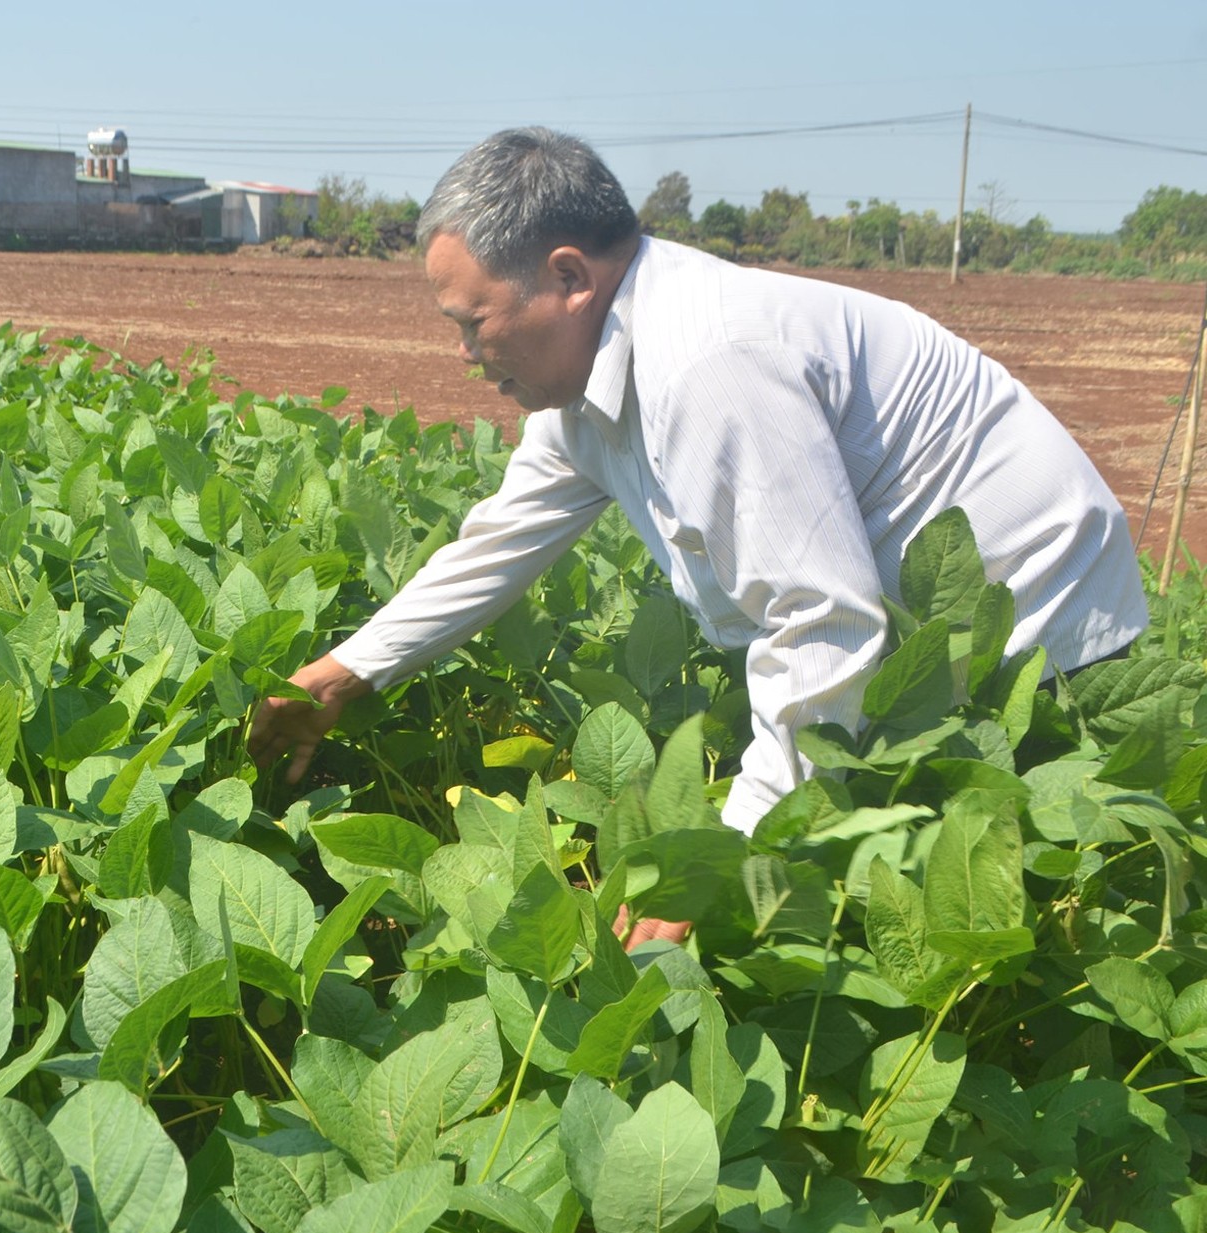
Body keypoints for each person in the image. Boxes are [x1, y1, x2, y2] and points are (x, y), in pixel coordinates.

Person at [247, 126, 1147, 836]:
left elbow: (820, 621)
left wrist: (726, 853)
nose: (466, 355)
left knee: (1020, 861)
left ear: (568, 276)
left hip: (1036, 615)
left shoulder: (710, 361)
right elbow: (498, 543)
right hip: (921, 622)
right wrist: (343, 673)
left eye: (474, 322)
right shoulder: (583, 391)